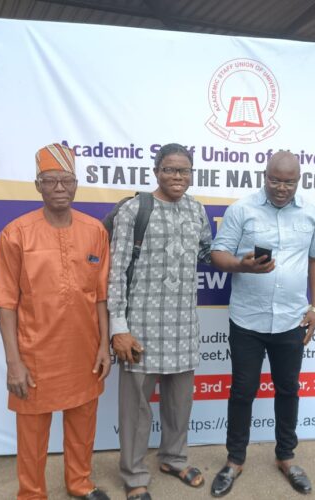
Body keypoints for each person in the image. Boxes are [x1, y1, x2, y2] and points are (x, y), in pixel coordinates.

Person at [0, 143, 111, 500]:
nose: (59, 188)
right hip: (35, 353)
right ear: (38, 185)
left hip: (84, 350)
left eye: (66, 180)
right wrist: (14, 363)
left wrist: (104, 345)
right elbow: (4, 302)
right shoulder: (17, 233)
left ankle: (80, 483)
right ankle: (32, 493)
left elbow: (101, 294)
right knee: (32, 432)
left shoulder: (95, 231)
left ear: (76, 184)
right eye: (50, 181)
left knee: (83, 423)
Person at [209, 150, 315, 496]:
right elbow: (218, 254)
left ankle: (286, 457)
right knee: (242, 391)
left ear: (299, 180)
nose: (281, 187)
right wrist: (241, 265)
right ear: (264, 176)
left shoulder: (311, 212)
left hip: (292, 319)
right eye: (275, 180)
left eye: (289, 182)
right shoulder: (242, 209)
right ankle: (234, 460)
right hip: (248, 320)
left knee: (288, 389)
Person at [107, 143, 212, 500]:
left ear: (191, 174)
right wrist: (118, 328)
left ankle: (173, 458)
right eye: (170, 169)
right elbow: (116, 271)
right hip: (141, 328)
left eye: (184, 171)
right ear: (156, 171)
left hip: (183, 327)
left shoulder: (197, 210)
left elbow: (206, 253)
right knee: (135, 410)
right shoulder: (135, 210)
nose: (177, 176)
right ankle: (134, 474)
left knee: (179, 404)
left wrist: (242, 258)